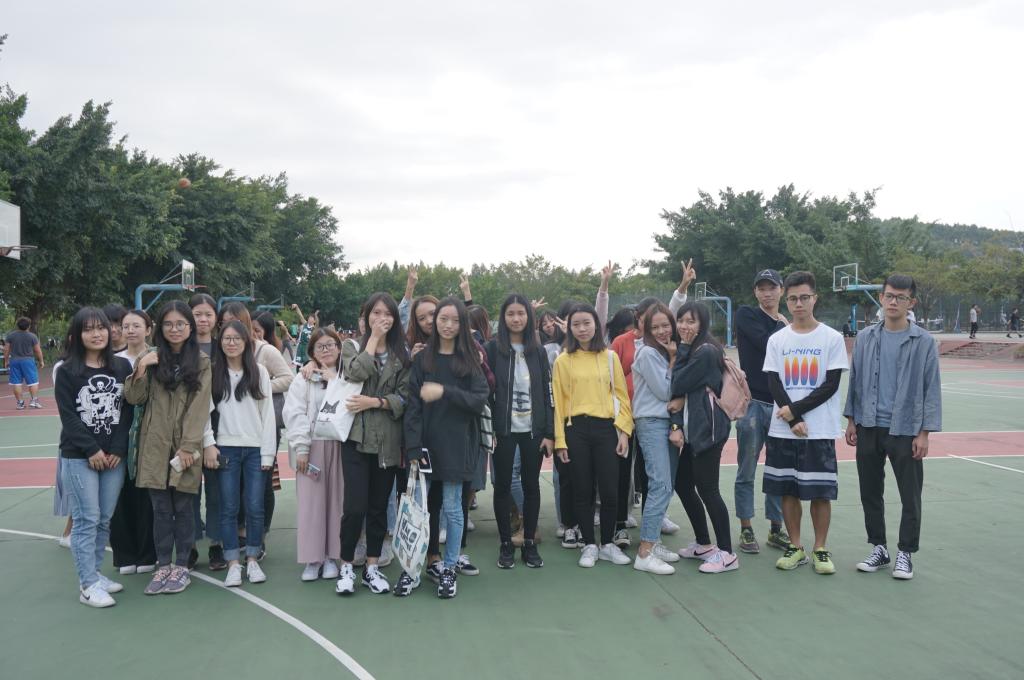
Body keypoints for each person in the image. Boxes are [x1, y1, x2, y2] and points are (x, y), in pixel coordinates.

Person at [845, 275, 942, 580]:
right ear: (881, 298)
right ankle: (879, 548)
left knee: (910, 495)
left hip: (906, 428)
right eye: (889, 295)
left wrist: (924, 433)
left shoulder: (923, 342)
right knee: (870, 491)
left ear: (911, 302)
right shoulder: (866, 337)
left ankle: (905, 553)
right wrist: (851, 419)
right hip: (868, 425)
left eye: (900, 297)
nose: (893, 302)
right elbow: (855, 379)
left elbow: (931, 388)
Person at [762, 271, 849, 575]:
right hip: (784, 430)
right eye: (793, 299)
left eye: (804, 298)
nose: (798, 304)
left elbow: (831, 385)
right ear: (786, 301)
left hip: (819, 430)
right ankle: (796, 546)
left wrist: (795, 412)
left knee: (821, 492)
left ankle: (820, 548)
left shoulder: (832, 338)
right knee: (788, 490)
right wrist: (792, 419)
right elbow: (773, 382)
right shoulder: (777, 340)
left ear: (815, 298)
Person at [403, 298, 490, 598]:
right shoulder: (422, 360)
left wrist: (444, 391)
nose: (448, 325)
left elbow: (478, 400)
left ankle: (449, 568)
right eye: (443, 319)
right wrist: (413, 447)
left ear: (463, 324)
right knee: (419, 510)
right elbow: (413, 407)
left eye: (455, 320)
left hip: (457, 446)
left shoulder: (470, 359)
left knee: (453, 508)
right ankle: (412, 568)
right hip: (425, 448)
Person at [125, 300, 212, 595]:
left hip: (185, 447)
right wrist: (141, 368)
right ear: (160, 328)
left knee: (184, 508)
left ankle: (182, 566)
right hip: (154, 445)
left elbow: (199, 408)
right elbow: (134, 398)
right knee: (160, 509)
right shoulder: (150, 358)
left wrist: (188, 447)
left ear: (190, 327)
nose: (174, 329)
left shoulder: (201, 362)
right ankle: (163, 565)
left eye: (180, 324)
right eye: (168, 324)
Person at [55, 307, 133, 607]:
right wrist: (92, 449)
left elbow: (126, 412)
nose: (97, 334)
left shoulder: (121, 367)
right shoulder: (67, 370)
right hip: (79, 456)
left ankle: (96, 573)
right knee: (87, 520)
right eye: (88, 329)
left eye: (101, 327)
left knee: (103, 520)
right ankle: (87, 585)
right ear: (78, 334)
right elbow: (69, 417)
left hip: (113, 457)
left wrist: (117, 448)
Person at [335, 293, 411, 596]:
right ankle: (345, 566)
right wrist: (373, 340)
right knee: (355, 507)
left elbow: (405, 397)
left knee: (379, 507)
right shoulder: (351, 346)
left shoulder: (402, 354)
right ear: (366, 317)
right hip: (356, 439)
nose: (382, 318)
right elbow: (355, 372)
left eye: (387, 313)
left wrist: (374, 402)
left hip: (388, 442)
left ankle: (372, 566)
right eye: (375, 313)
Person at [553, 303, 634, 569]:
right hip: (575, 430)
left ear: (596, 325)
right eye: (576, 324)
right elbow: (559, 404)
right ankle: (589, 543)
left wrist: (624, 431)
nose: (582, 329)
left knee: (610, 489)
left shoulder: (609, 357)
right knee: (582, 490)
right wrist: (560, 440)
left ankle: (608, 544)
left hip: (606, 429)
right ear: (569, 328)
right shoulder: (563, 360)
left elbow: (622, 397)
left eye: (586, 323)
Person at [203, 320, 277, 587]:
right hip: (225, 448)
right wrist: (209, 443)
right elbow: (204, 413)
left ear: (246, 342)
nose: (231, 343)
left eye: (237, 338)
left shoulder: (259, 372)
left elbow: (268, 415)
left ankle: (252, 558)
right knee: (228, 508)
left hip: (255, 450)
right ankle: (233, 563)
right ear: (220, 342)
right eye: (226, 338)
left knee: (255, 507)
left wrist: (268, 454)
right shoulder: (213, 373)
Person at [485, 294, 554, 569]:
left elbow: (547, 393)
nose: (516, 319)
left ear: (529, 316)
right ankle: (505, 543)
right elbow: (485, 391)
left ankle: (528, 542)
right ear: (503, 318)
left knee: (531, 485)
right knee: (502, 486)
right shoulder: (492, 349)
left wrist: (549, 433)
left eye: (521, 313)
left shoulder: (539, 351)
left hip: (533, 431)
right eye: (511, 314)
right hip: (502, 431)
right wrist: (489, 429)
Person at [670, 302, 738, 573]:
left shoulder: (706, 351)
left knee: (708, 489)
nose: (684, 326)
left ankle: (727, 553)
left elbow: (677, 383)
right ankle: (704, 543)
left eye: (691, 321)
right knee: (683, 483)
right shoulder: (697, 349)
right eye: (681, 320)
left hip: (708, 431)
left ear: (702, 324)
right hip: (694, 431)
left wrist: (682, 349)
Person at [733, 269, 790, 553]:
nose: (767, 293)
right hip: (752, 404)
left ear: (781, 290)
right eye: (762, 288)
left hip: (781, 406)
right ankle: (746, 529)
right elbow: (768, 344)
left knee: (778, 470)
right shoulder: (747, 315)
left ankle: (776, 529)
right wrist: (784, 324)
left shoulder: (787, 325)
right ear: (755, 292)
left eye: (772, 287)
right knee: (746, 469)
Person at [284, 327, 347, 582]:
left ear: (339, 348)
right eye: (320, 346)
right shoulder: (303, 379)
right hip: (312, 446)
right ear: (312, 351)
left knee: (337, 502)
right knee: (311, 504)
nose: (326, 350)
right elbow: (294, 412)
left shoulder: (346, 376)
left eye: (331, 344)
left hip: (341, 446)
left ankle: (332, 556)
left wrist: (334, 379)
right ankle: (313, 559)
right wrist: (302, 447)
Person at [629, 302, 684, 574]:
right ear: (647, 330)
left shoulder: (662, 351)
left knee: (665, 485)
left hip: (665, 422)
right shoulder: (648, 353)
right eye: (656, 327)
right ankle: (645, 552)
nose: (662, 331)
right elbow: (665, 391)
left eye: (666, 325)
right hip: (651, 422)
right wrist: (674, 361)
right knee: (660, 485)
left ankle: (654, 542)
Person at [109, 309, 157, 576]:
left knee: (146, 497)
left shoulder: (157, 357)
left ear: (148, 329)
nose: (129, 330)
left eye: (136, 325)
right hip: (116, 438)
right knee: (119, 495)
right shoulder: (111, 361)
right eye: (125, 325)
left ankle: (147, 553)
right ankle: (124, 555)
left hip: (149, 437)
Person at [187, 293, 224, 570]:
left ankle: (216, 544)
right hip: (186, 428)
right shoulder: (179, 347)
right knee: (188, 490)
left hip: (220, 427)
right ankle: (188, 545)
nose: (202, 319)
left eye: (207, 314)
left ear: (216, 317)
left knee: (217, 491)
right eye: (197, 314)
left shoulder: (224, 346)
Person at [5, 317, 45, 409]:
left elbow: (6, 349)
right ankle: (34, 401)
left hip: (14, 361)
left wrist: (6, 361)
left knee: (16, 383)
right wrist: (41, 361)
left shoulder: (11, 336)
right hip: (28, 361)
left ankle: (20, 403)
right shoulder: (32, 336)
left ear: (17, 325)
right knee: (33, 382)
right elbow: (38, 350)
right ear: (29, 326)